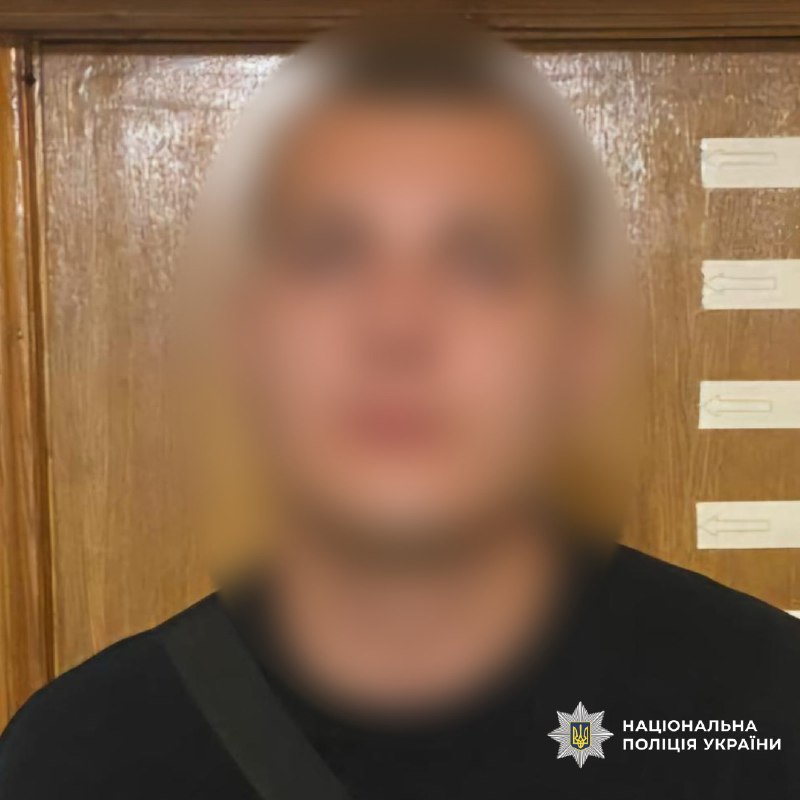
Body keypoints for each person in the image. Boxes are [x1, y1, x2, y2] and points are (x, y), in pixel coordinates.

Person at [1, 20, 799, 800]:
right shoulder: (80, 754)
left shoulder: (763, 709)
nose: (398, 323)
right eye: (330, 254)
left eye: (481, 261)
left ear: (579, 349)